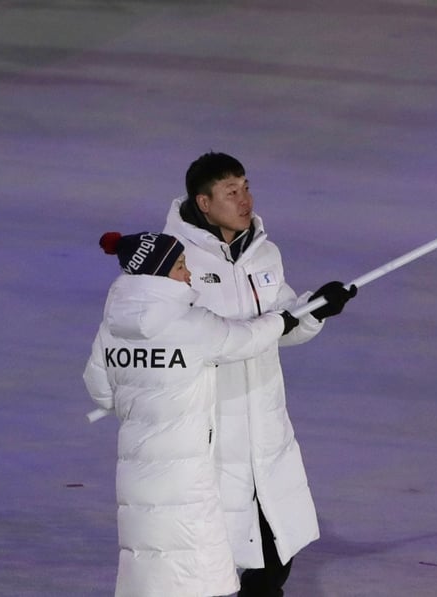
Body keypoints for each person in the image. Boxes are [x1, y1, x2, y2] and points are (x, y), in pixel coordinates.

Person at [163, 152, 356, 596]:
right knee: (205, 567)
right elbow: (200, 341)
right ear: (204, 203)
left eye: (246, 186)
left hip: (265, 431)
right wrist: (280, 323)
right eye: (231, 192)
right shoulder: (176, 262)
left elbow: (279, 325)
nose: (245, 199)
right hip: (210, 434)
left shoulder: (264, 251)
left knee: (274, 561)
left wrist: (314, 310)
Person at [82, 231, 306, 597]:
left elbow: (100, 389)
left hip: (137, 474)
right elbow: (245, 338)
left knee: (150, 564)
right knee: (194, 571)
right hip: (188, 475)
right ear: (159, 274)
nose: (189, 275)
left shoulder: (111, 329)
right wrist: (285, 320)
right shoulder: (191, 324)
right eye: (182, 266)